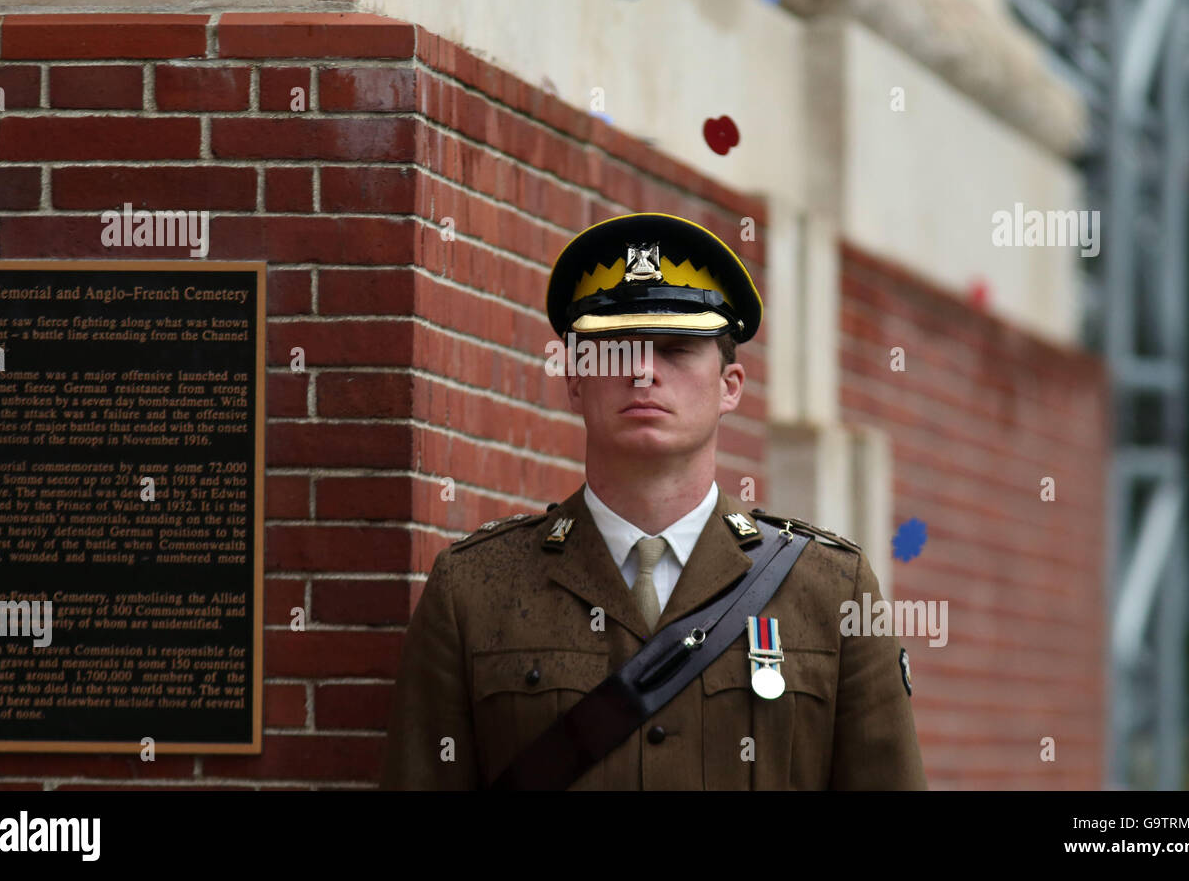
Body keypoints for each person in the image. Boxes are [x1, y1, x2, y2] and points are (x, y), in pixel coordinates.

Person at [382, 212, 926, 789]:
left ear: (730, 387)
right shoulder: (472, 591)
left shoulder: (830, 591)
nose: (642, 371)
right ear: (574, 380)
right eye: (615, 349)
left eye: (675, 348)